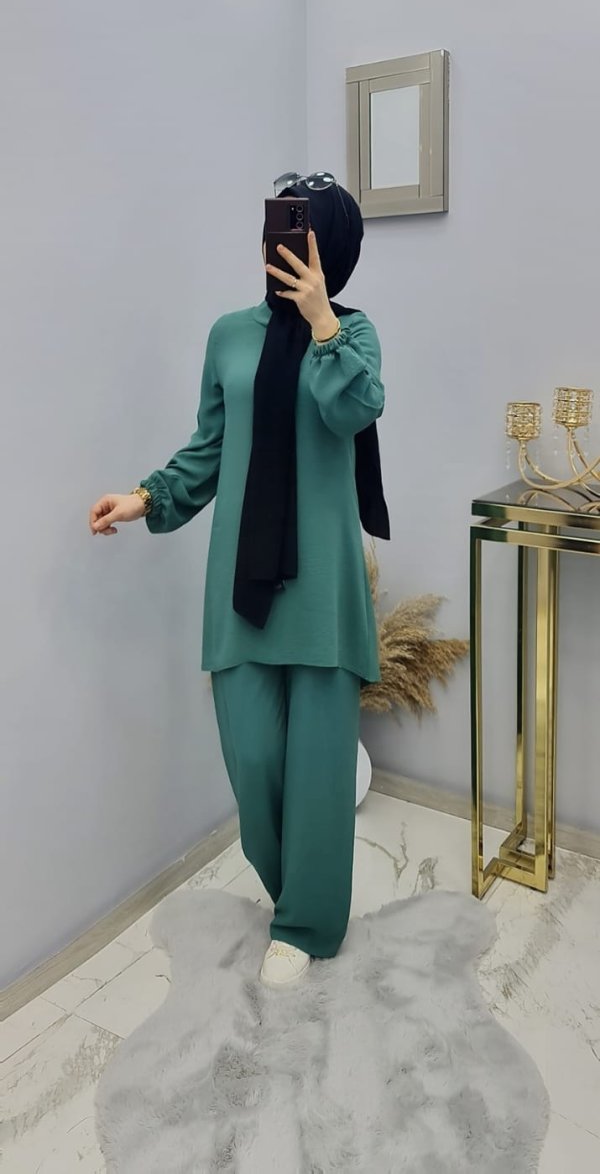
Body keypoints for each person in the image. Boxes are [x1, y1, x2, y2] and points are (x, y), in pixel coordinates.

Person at [89, 174, 389, 988]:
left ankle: (307, 924)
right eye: (276, 228)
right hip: (243, 581)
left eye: (302, 233)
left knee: (319, 769)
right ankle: (296, 891)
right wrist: (146, 497)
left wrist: (322, 320)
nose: (278, 247)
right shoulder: (228, 335)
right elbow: (210, 447)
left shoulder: (353, 337)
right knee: (253, 756)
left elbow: (355, 410)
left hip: (323, 584)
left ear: (333, 252)